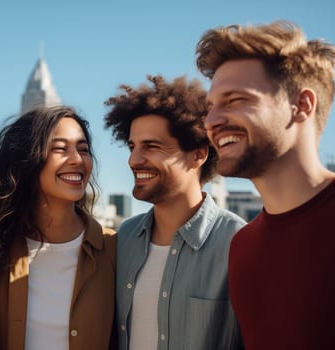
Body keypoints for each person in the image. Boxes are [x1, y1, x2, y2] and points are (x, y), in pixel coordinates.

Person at [196, 21, 335, 349]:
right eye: (210, 107)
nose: (211, 121)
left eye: (234, 100)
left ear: (302, 105)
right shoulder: (242, 248)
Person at [104, 75, 246, 350]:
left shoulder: (237, 242)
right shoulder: (123, 239)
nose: (133, 160)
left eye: (152, 146)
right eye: (132, 147)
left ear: (198, 154)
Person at [0, 106, 116, 350]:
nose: (77, 160)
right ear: (27, 158)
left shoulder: (115, 250)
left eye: (83, 150)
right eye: (60, 148)